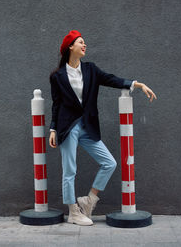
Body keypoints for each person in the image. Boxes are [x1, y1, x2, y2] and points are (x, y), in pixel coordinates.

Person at [49, 30, 157, 226]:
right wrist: (53, 129)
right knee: (69, 170)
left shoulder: (91, 69)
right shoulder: (57, 76)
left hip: (88, 126)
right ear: (70, 47)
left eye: (84, 42)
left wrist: (137, 84)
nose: (84, 45)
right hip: (68, 127)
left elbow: (111, 79)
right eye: (80, 42)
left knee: (109, 163)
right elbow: (56, 104)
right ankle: (73, 212)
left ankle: (89, 201)